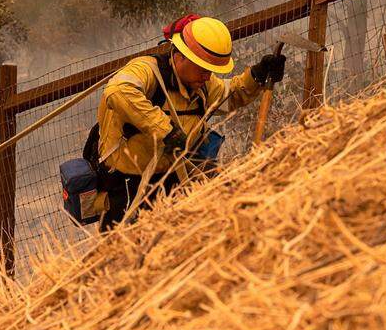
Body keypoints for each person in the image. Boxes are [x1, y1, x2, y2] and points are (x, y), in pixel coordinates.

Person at [94, 15, 285, 231]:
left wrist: (257, 76)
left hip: (170, 180)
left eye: (210, 71)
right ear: (181, 56)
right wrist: (164, 130)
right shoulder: (145, 71)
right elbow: (117, 91)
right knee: (124, 251)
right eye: (203, 69)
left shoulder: (202, 84)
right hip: (126, 185)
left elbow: (229, 96)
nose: (207, 76)